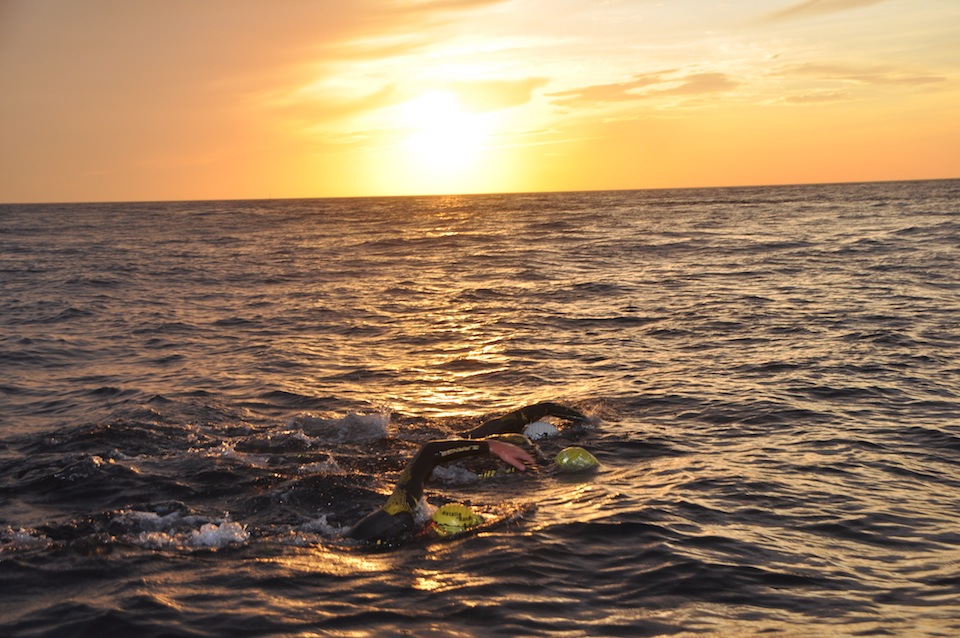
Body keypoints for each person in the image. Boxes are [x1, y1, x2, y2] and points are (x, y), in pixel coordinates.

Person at [347, 402, 588, 545]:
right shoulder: (398, 515)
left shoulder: (403, 518)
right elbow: (430, 450)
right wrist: (491, 446)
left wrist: (585, 420)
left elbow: (544, 407)